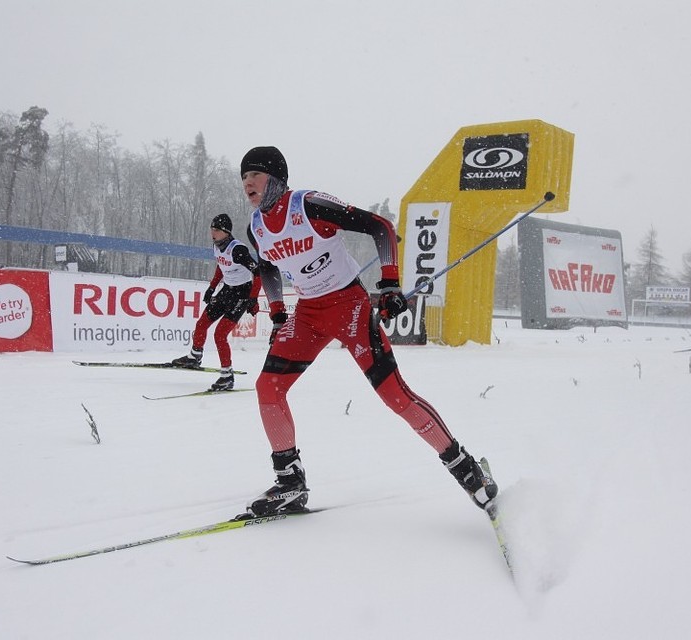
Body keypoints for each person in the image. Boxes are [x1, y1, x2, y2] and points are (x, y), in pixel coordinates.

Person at [238, 145, 497, 517]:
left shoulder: (307, 205)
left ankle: (469, 472)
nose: (248, 183)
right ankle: (290, 482)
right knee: (268, 386)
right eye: (244, 177)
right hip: (309, 314)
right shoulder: (256, 227)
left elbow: (380, 227)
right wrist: (279, 313)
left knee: (395, 396)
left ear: (277, 179)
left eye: (255, 175)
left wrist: (390, 285)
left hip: (349, 307)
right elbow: (267, 267)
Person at [171, 213, 261, 391]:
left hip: (242, 294)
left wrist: (253, 298)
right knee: (202, 324)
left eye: (217, 230)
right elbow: (221, 266)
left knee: (220, 335)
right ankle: (194, 356)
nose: (213, 233)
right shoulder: (217, 246)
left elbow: (258, 272)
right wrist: (212, 288)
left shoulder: (238, 250)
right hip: (227, 290)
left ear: (226, 232)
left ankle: (227, 376)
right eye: (212, 229)